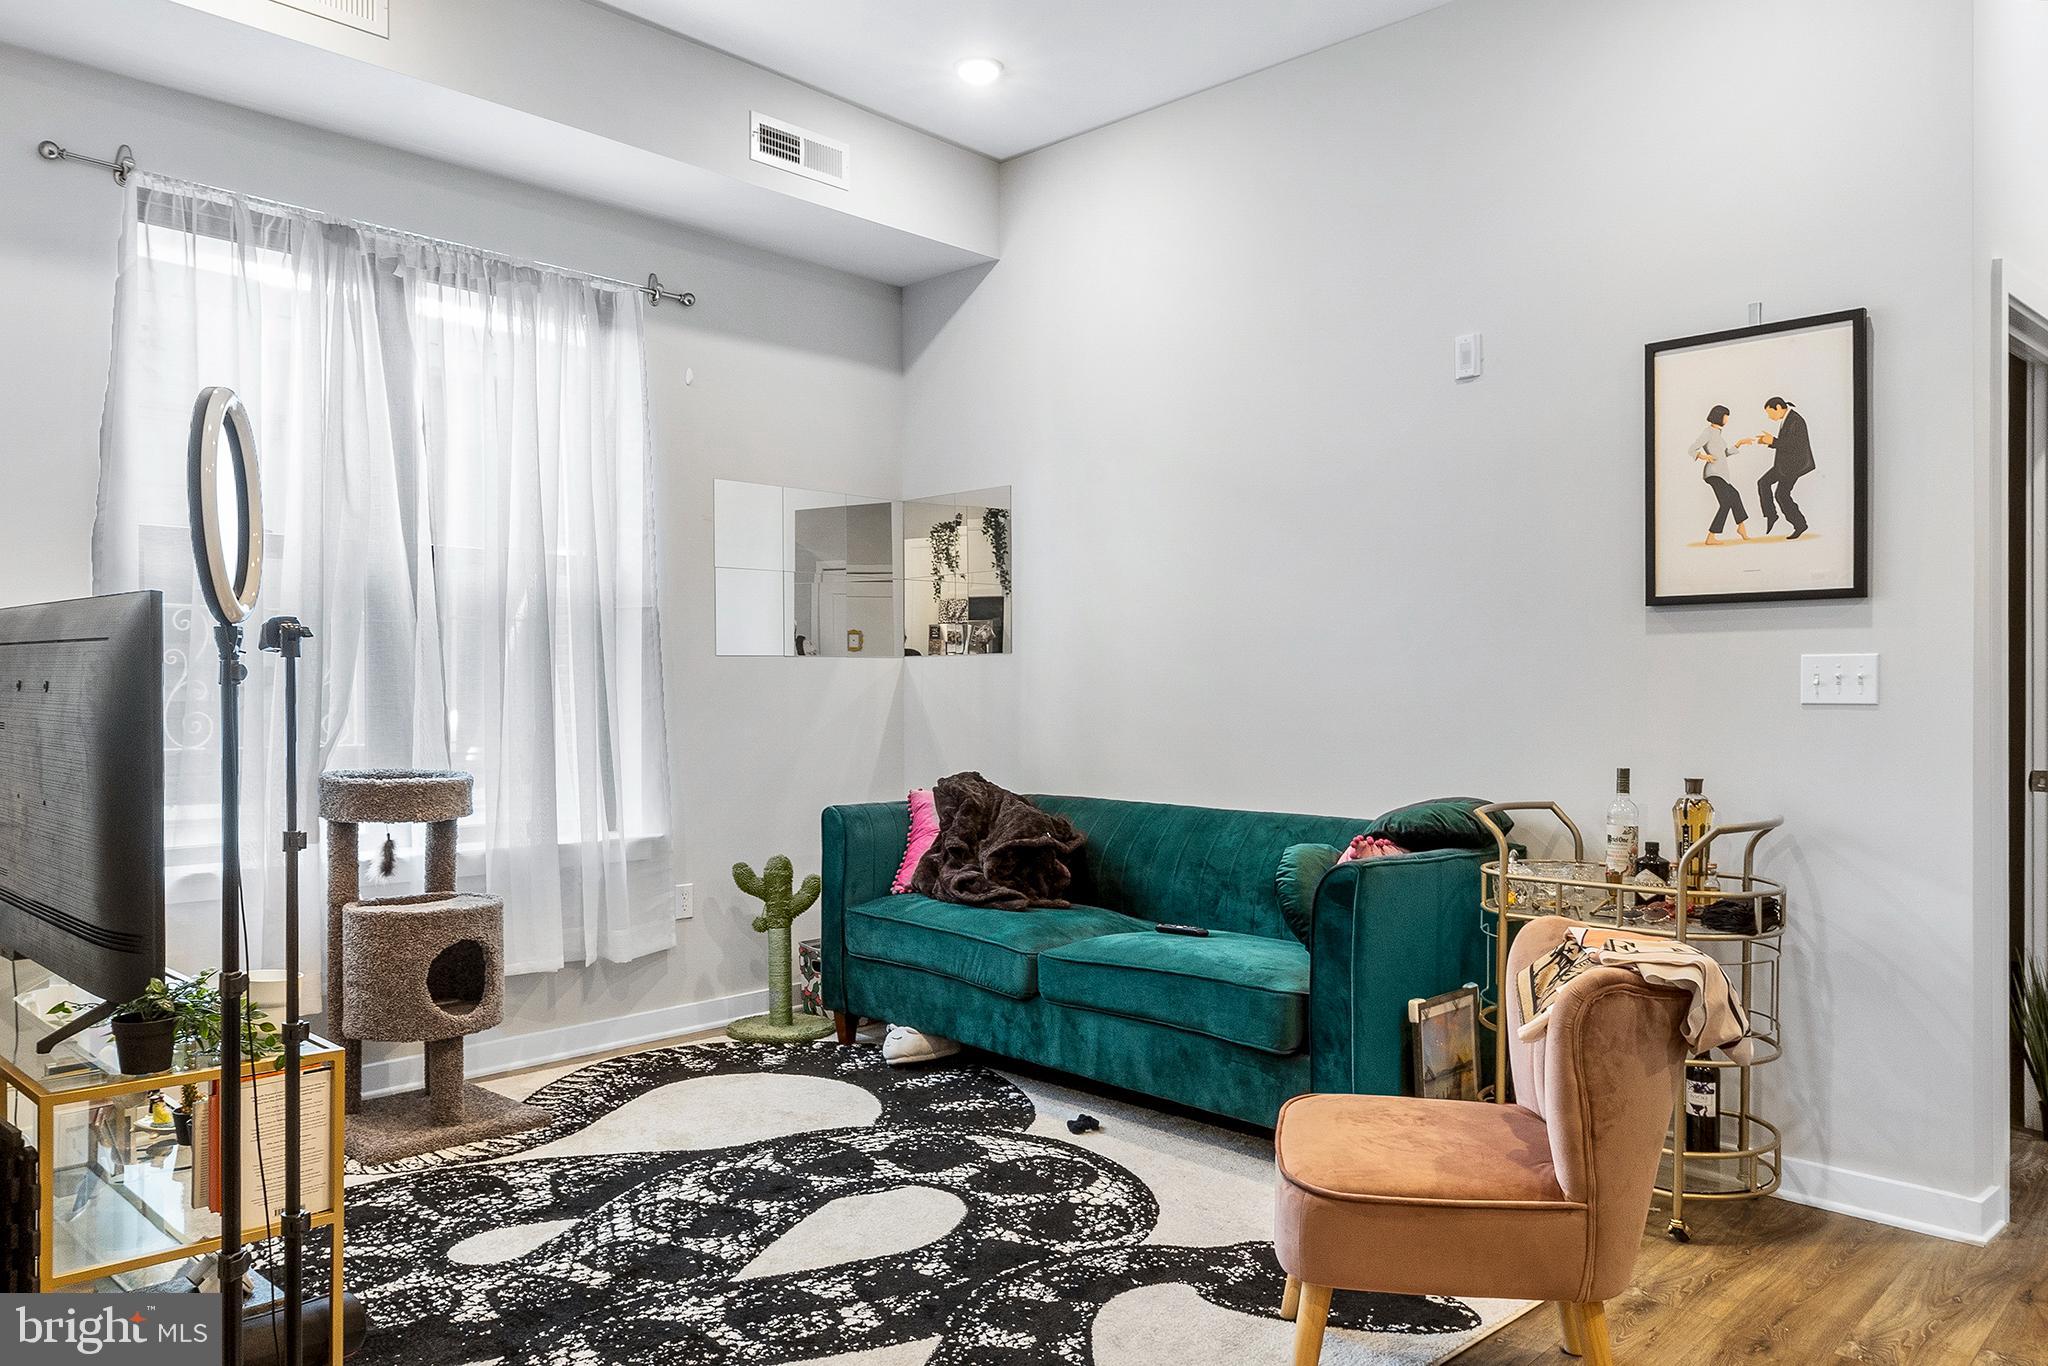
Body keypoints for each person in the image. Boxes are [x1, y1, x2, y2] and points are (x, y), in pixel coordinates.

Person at [1751, 396, 1815, 539]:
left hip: (1794, 466)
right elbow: (1787, 443)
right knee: (1764, 483)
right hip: (1785, 465)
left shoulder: (1795, 420)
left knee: (1781, 494)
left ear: (1778, 408)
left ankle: (1799, 525)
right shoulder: (1788, 418)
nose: (1769, 416)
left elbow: (1793, 445)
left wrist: (1772, 441)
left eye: (1770, 413)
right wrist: (1769, 442)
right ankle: (1772, 516)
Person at [1688, 404, 1753, 544]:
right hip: (1713, 473)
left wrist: (1739, 444)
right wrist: (1705, 457)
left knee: (1734, 495)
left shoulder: (1717, 433)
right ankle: (1711, 537)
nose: (1728, 418)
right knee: (1726, 503)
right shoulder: (1708, 432)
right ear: (1719, 416)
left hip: (1722, 474)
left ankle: (1741, 528)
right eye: (1726, 415)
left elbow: (1724, 454)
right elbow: (1692, 449)